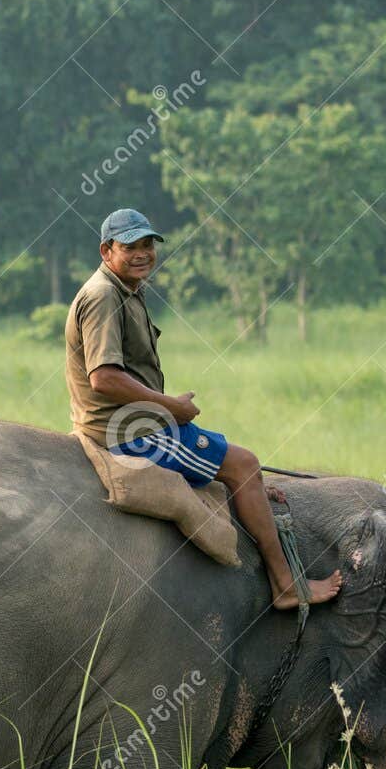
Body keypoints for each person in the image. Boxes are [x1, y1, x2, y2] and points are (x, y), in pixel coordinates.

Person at [65, 207, 342, 610]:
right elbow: (103, 378)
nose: (143, 254)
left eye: (148, 245)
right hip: (129, 433)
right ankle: (286, 584)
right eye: (131, 247)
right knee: (244, 465)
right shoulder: (103, 296)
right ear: (106, 250)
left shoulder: (125, 289)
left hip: (137, 419)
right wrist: (170, 407)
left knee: (231, 463)